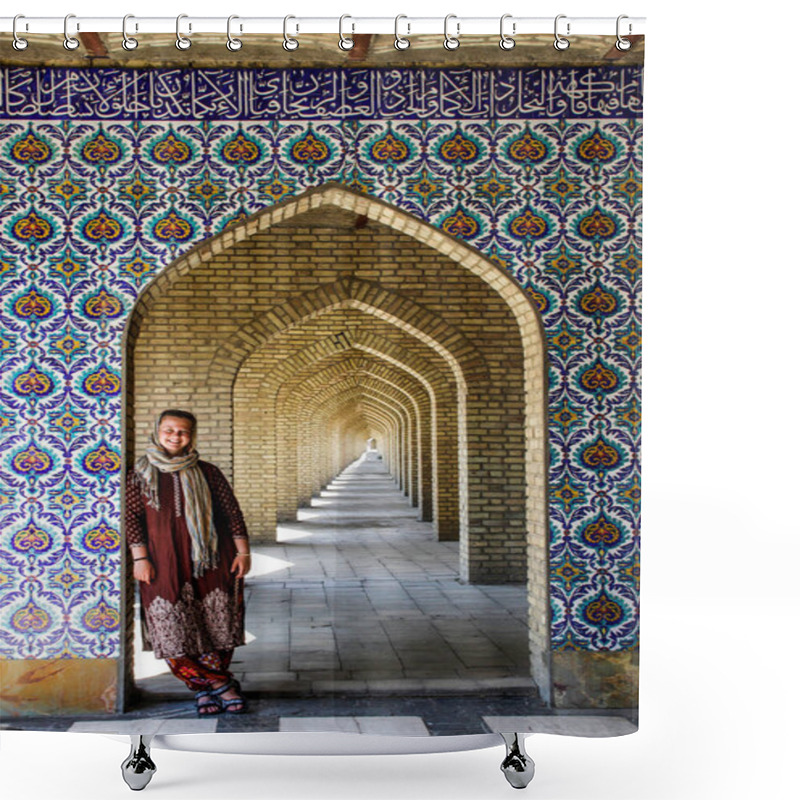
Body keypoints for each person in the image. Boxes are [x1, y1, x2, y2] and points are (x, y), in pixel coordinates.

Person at [125, 409, 251, 716]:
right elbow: (131, 519)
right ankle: (219, 686)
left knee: (217, 624)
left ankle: (206, 691)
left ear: (191, 436)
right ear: (157, 432)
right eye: (169, 430)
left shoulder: (208, 472)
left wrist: (243, 552)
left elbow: (231, 513)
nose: (175, 436)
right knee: (172, 627)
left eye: (182, 432)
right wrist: (139, 558)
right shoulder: (139, 474)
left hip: (212, 560)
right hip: (162, 561)